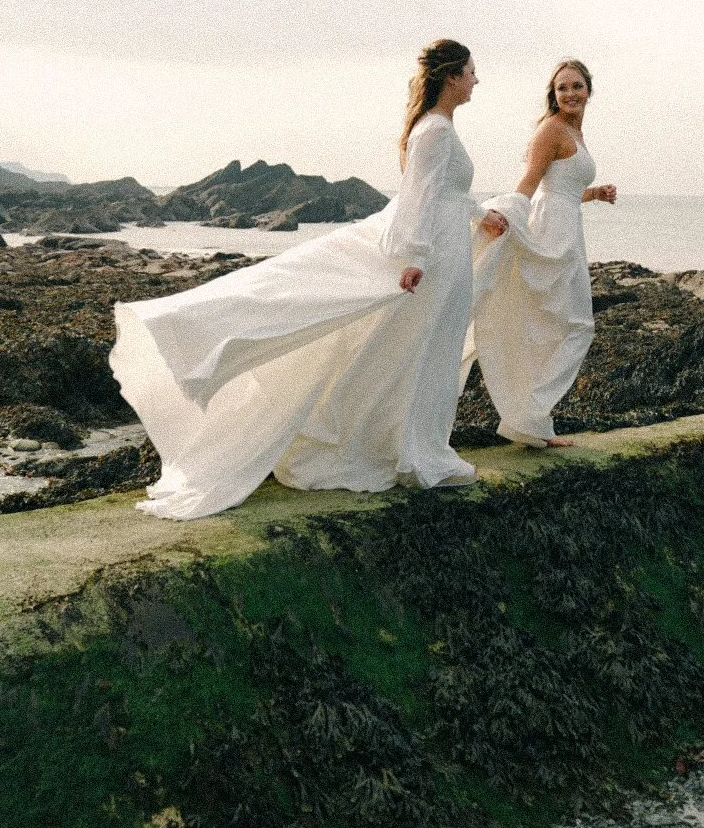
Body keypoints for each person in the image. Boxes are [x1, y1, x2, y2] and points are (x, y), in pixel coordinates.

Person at [110, 40, 507, 518]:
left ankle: (415, 447)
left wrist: (480, 214)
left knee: (426, 351)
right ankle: (408, 451)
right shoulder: (436, 131)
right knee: (422, 351)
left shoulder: (439, 129)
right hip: (437, 257)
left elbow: (443, 194)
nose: (476, 80)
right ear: (450, 76)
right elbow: (417, 198)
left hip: (447, 250)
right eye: (470, 72)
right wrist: (414, 256)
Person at [469, 58, 616, 448]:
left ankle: (533, 421)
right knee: (568, 325)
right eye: (562, 87)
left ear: (589, 90)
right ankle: (530, 417)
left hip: (567, 225)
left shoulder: (574, 131)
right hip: (551, 231)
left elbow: (562, 188)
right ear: (553, 94)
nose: (569, 93)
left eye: (576, 86)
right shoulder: (550, 130)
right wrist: (500, 216)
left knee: (560, 325)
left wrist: (595, 194)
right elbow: (530, 185)